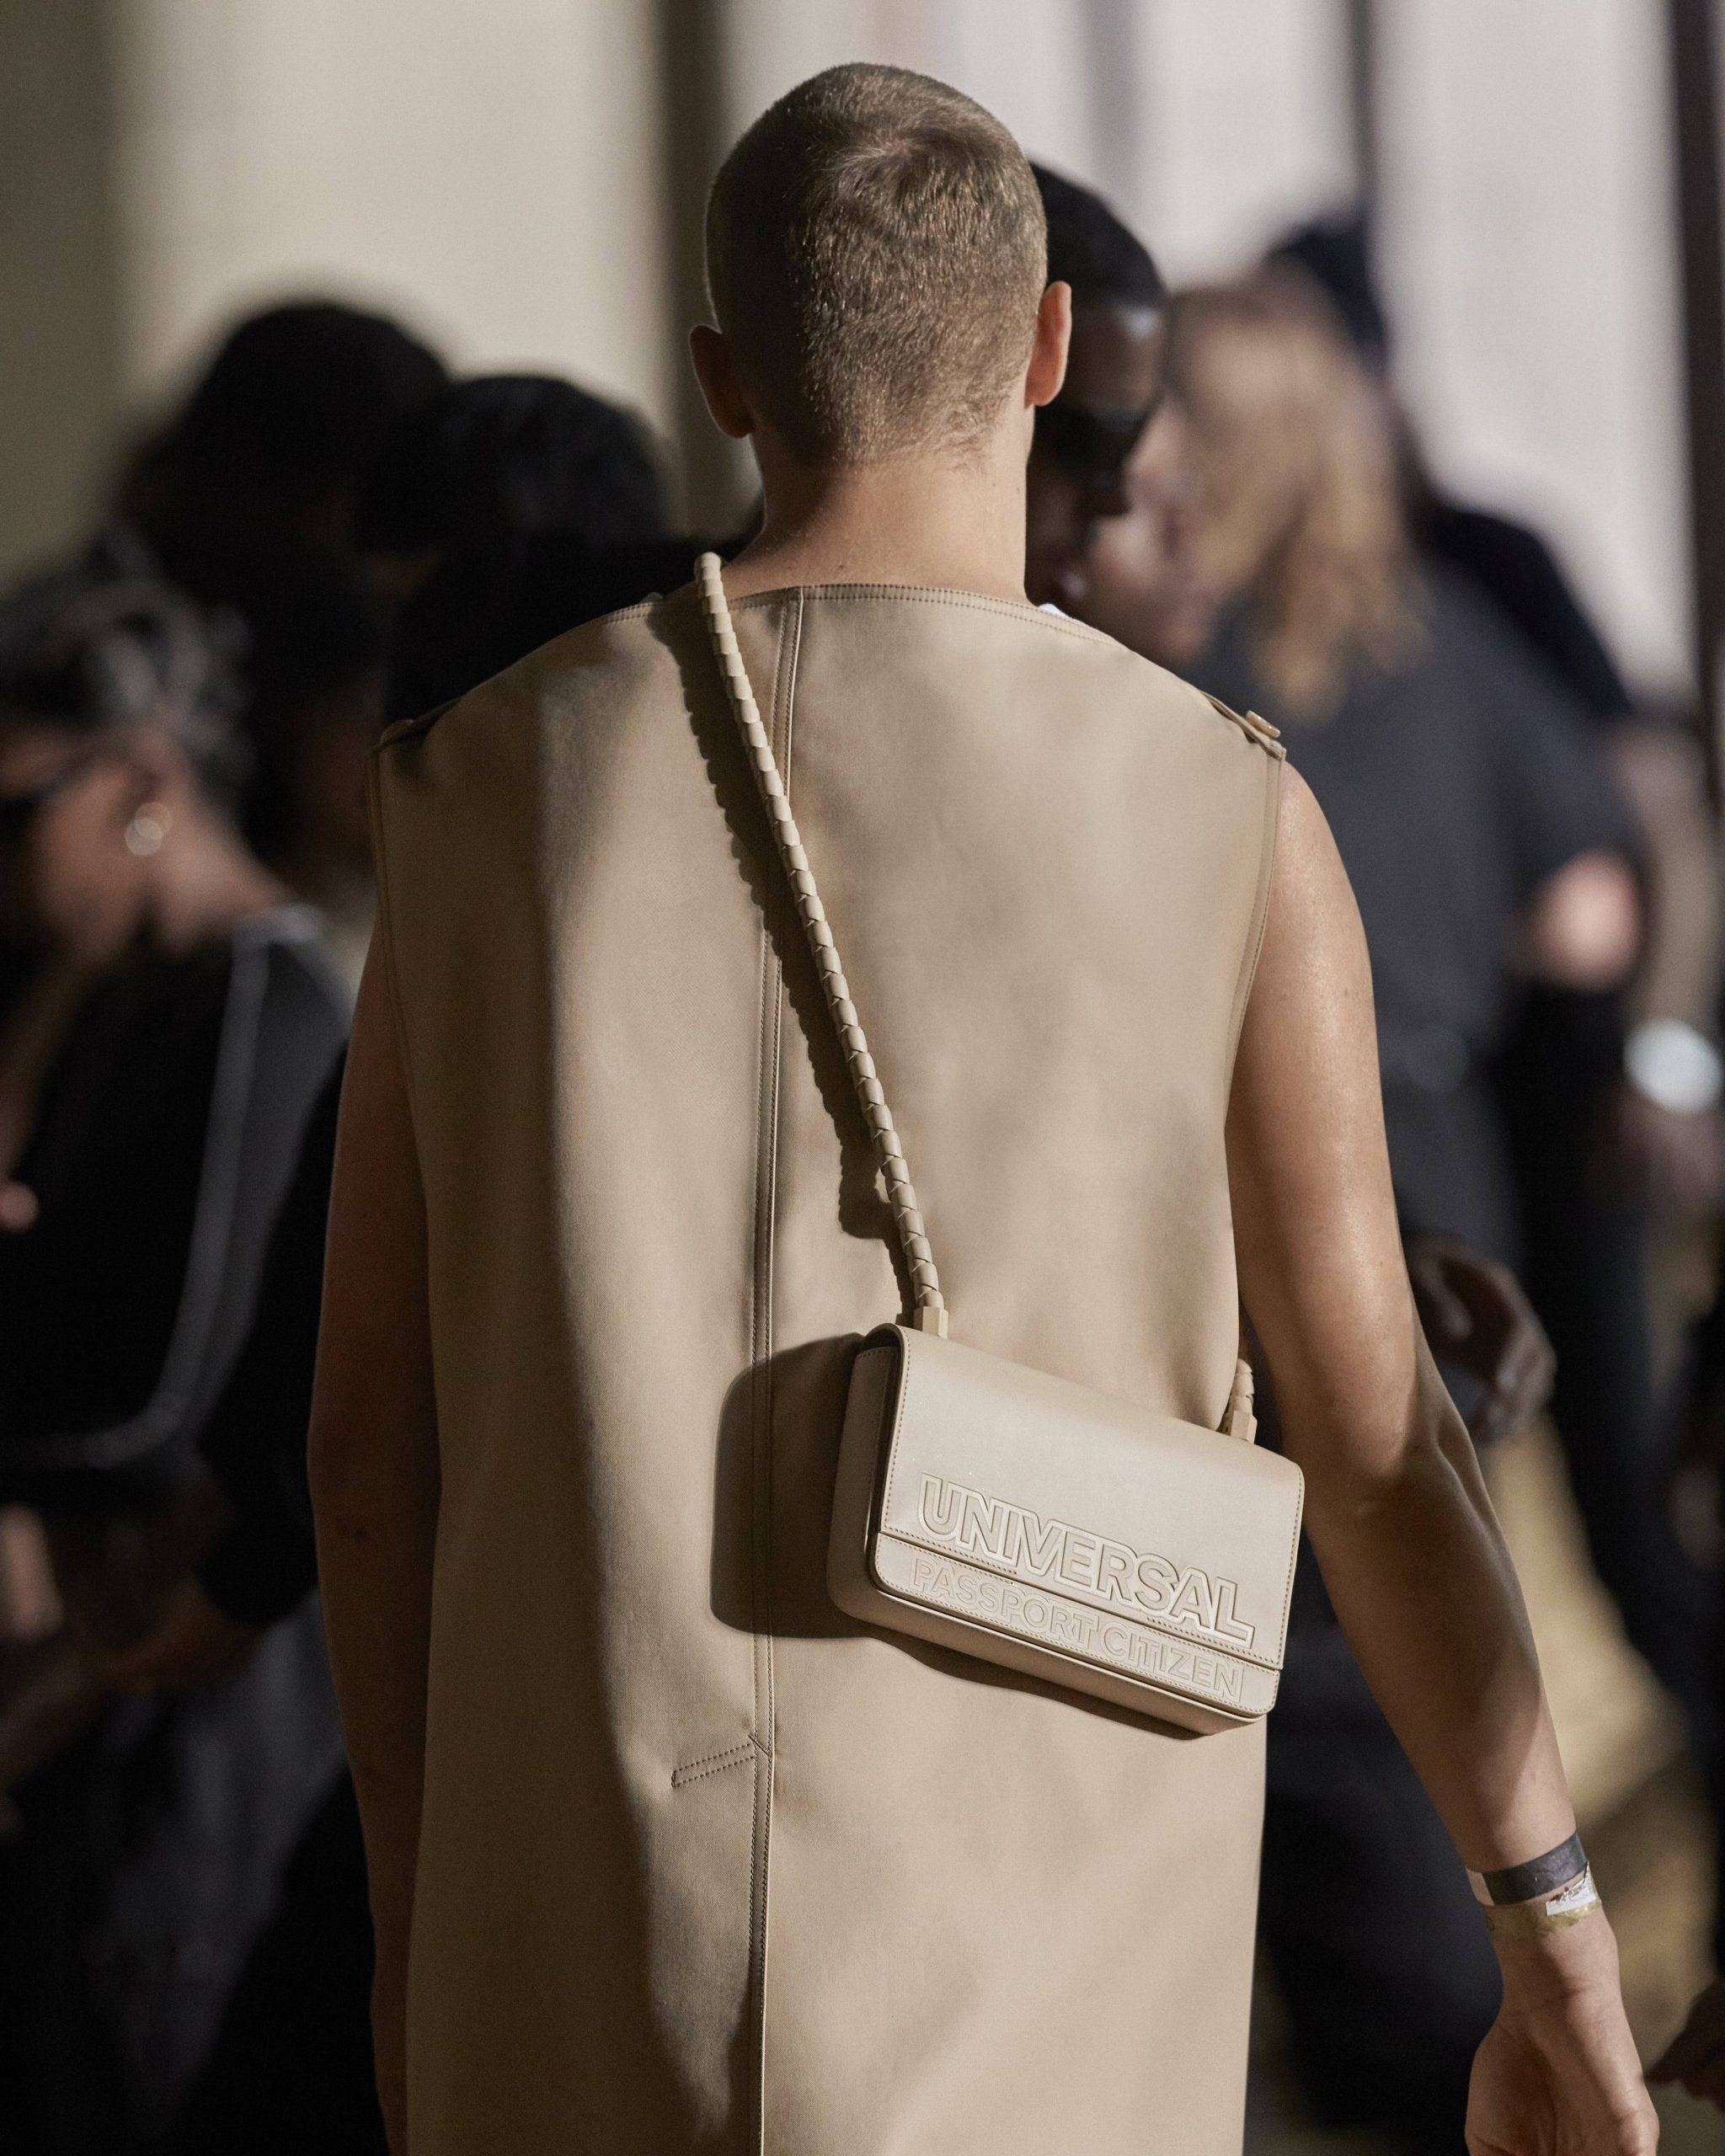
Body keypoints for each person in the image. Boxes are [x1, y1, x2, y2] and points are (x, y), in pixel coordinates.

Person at [310, 63, 1653, 2155]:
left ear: (723, 379)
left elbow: (369, 1438)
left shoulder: (477, 786)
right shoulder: (1218, 807)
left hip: (578, 1938)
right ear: (1045, 348)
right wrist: (1549, 1924)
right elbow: (1379, 1443)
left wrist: (418, 1928)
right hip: (1054, 1943)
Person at [0, 540, 349, 2152]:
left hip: (205, 1759)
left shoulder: (268, 1007)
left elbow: (165, 1414)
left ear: (143, 785)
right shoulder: (124, 996)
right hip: (110, 1727)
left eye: (13, 815)